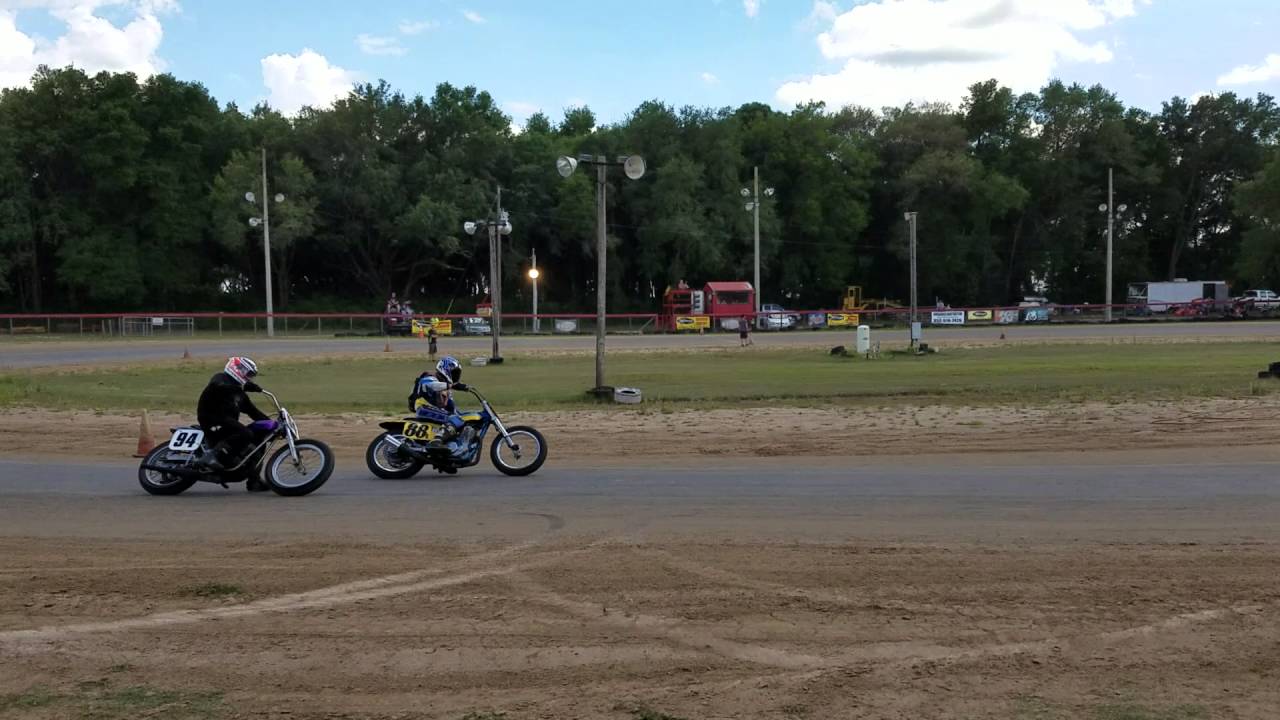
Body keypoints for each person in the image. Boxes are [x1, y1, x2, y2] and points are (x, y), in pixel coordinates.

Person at [196, 356, 275, 491]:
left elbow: (253, 412)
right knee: (245, 433)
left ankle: (254, 481)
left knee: (259, 440)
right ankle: (211, 456)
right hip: (211, 420)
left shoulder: (239, 394)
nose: (249, 378)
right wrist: (243, 387)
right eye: (248, 374)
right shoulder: (220, 378)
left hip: (228, 424)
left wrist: (273, 424)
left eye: (251, 376)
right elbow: (219, 386)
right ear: (237, 369)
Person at [408, 356, 473, 459]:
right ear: (445, 369)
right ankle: (436, 441)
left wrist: (465, 418)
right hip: (423, 407)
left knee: (458, 421)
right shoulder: (431, 377)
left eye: (457, 374)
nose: (455, 376)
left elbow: (452, 409)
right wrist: (450, 386)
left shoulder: (447, 389)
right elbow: (430, 385)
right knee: (453, 419)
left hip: (435, 412)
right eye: (453, 373)